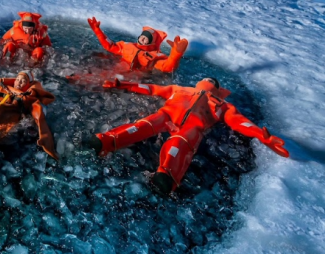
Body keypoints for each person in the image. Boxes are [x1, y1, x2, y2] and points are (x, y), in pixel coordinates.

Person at [87, 77, 289, 195]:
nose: (208, 81)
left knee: (179, 144)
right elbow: (151, 88)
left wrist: (260, 135)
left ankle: (166, 176)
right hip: (166, 114)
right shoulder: (179, 89)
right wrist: (122, 84)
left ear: (218, 90)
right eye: (207, 80)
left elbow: (238, 121)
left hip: (193, 127)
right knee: (142, 126)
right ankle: (106, 141)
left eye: (212, 82)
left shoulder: (223, 105)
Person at [87, 16, 188, 73]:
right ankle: (75, 78)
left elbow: (168, 67)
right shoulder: (127, 46)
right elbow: (110, 46)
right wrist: (97, 30)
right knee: (96, 70)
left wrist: (176, 54)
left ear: (151, 43)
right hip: (116, 68)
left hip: (133, 78)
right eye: (142, 36)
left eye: (147, 39)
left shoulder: (154, 56)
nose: (143, 39)